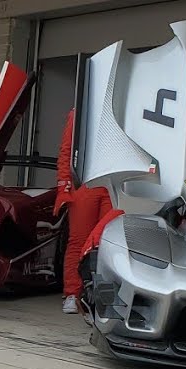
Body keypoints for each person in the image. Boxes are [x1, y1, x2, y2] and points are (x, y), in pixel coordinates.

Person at [55, 110, 111, 314]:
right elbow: (66, 151)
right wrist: (65, 185)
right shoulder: (80, 111)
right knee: (78, 239)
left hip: (113, 183)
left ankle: (102, 296)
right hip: (86, 183)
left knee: (109, 241)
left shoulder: (126, 107)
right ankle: (72, 293)